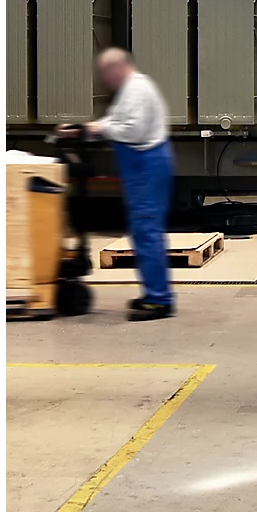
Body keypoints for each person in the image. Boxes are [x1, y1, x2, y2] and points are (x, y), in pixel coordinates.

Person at [59, 48, 175, 321]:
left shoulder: (136, 89)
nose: (104, 79)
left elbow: (131, 130)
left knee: (147, 230)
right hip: (142, 166)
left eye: (104, 73)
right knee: (142, 230)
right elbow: (115, 121)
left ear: (117, 68)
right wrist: (85, 127)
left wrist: (97, 130)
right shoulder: (131, 89)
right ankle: (153, 293)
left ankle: (159, 300)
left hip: (147, 164)